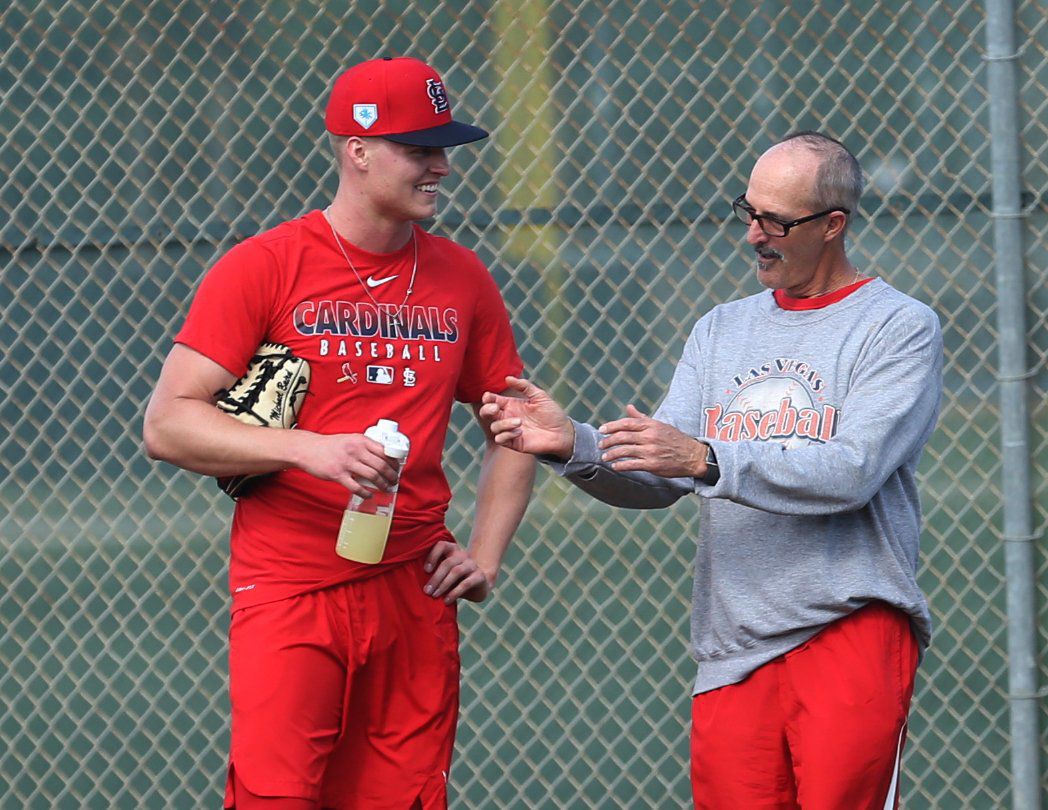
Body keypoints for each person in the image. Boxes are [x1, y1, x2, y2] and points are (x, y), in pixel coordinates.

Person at [481, 131, 943, 809]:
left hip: (849, 628)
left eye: (777, 222)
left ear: (832, 225)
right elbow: (660, 477)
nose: (753, 235)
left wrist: (705, 457)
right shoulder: (719, 329)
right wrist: (569, 444)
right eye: (748, 212)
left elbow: (851, 470)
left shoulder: (896, 326)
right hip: (731, 647)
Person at [143, 56, 536, 809]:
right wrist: (308, 448)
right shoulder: (265, 266)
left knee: (401, 797)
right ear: (357, 150)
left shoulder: (462, 278)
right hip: (291, 584)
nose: (440, 167)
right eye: (419, 148)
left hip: (414, 586)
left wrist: (485, 555)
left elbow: (512, 422)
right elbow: (168, 423)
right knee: (278, 796)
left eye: (442, 149)